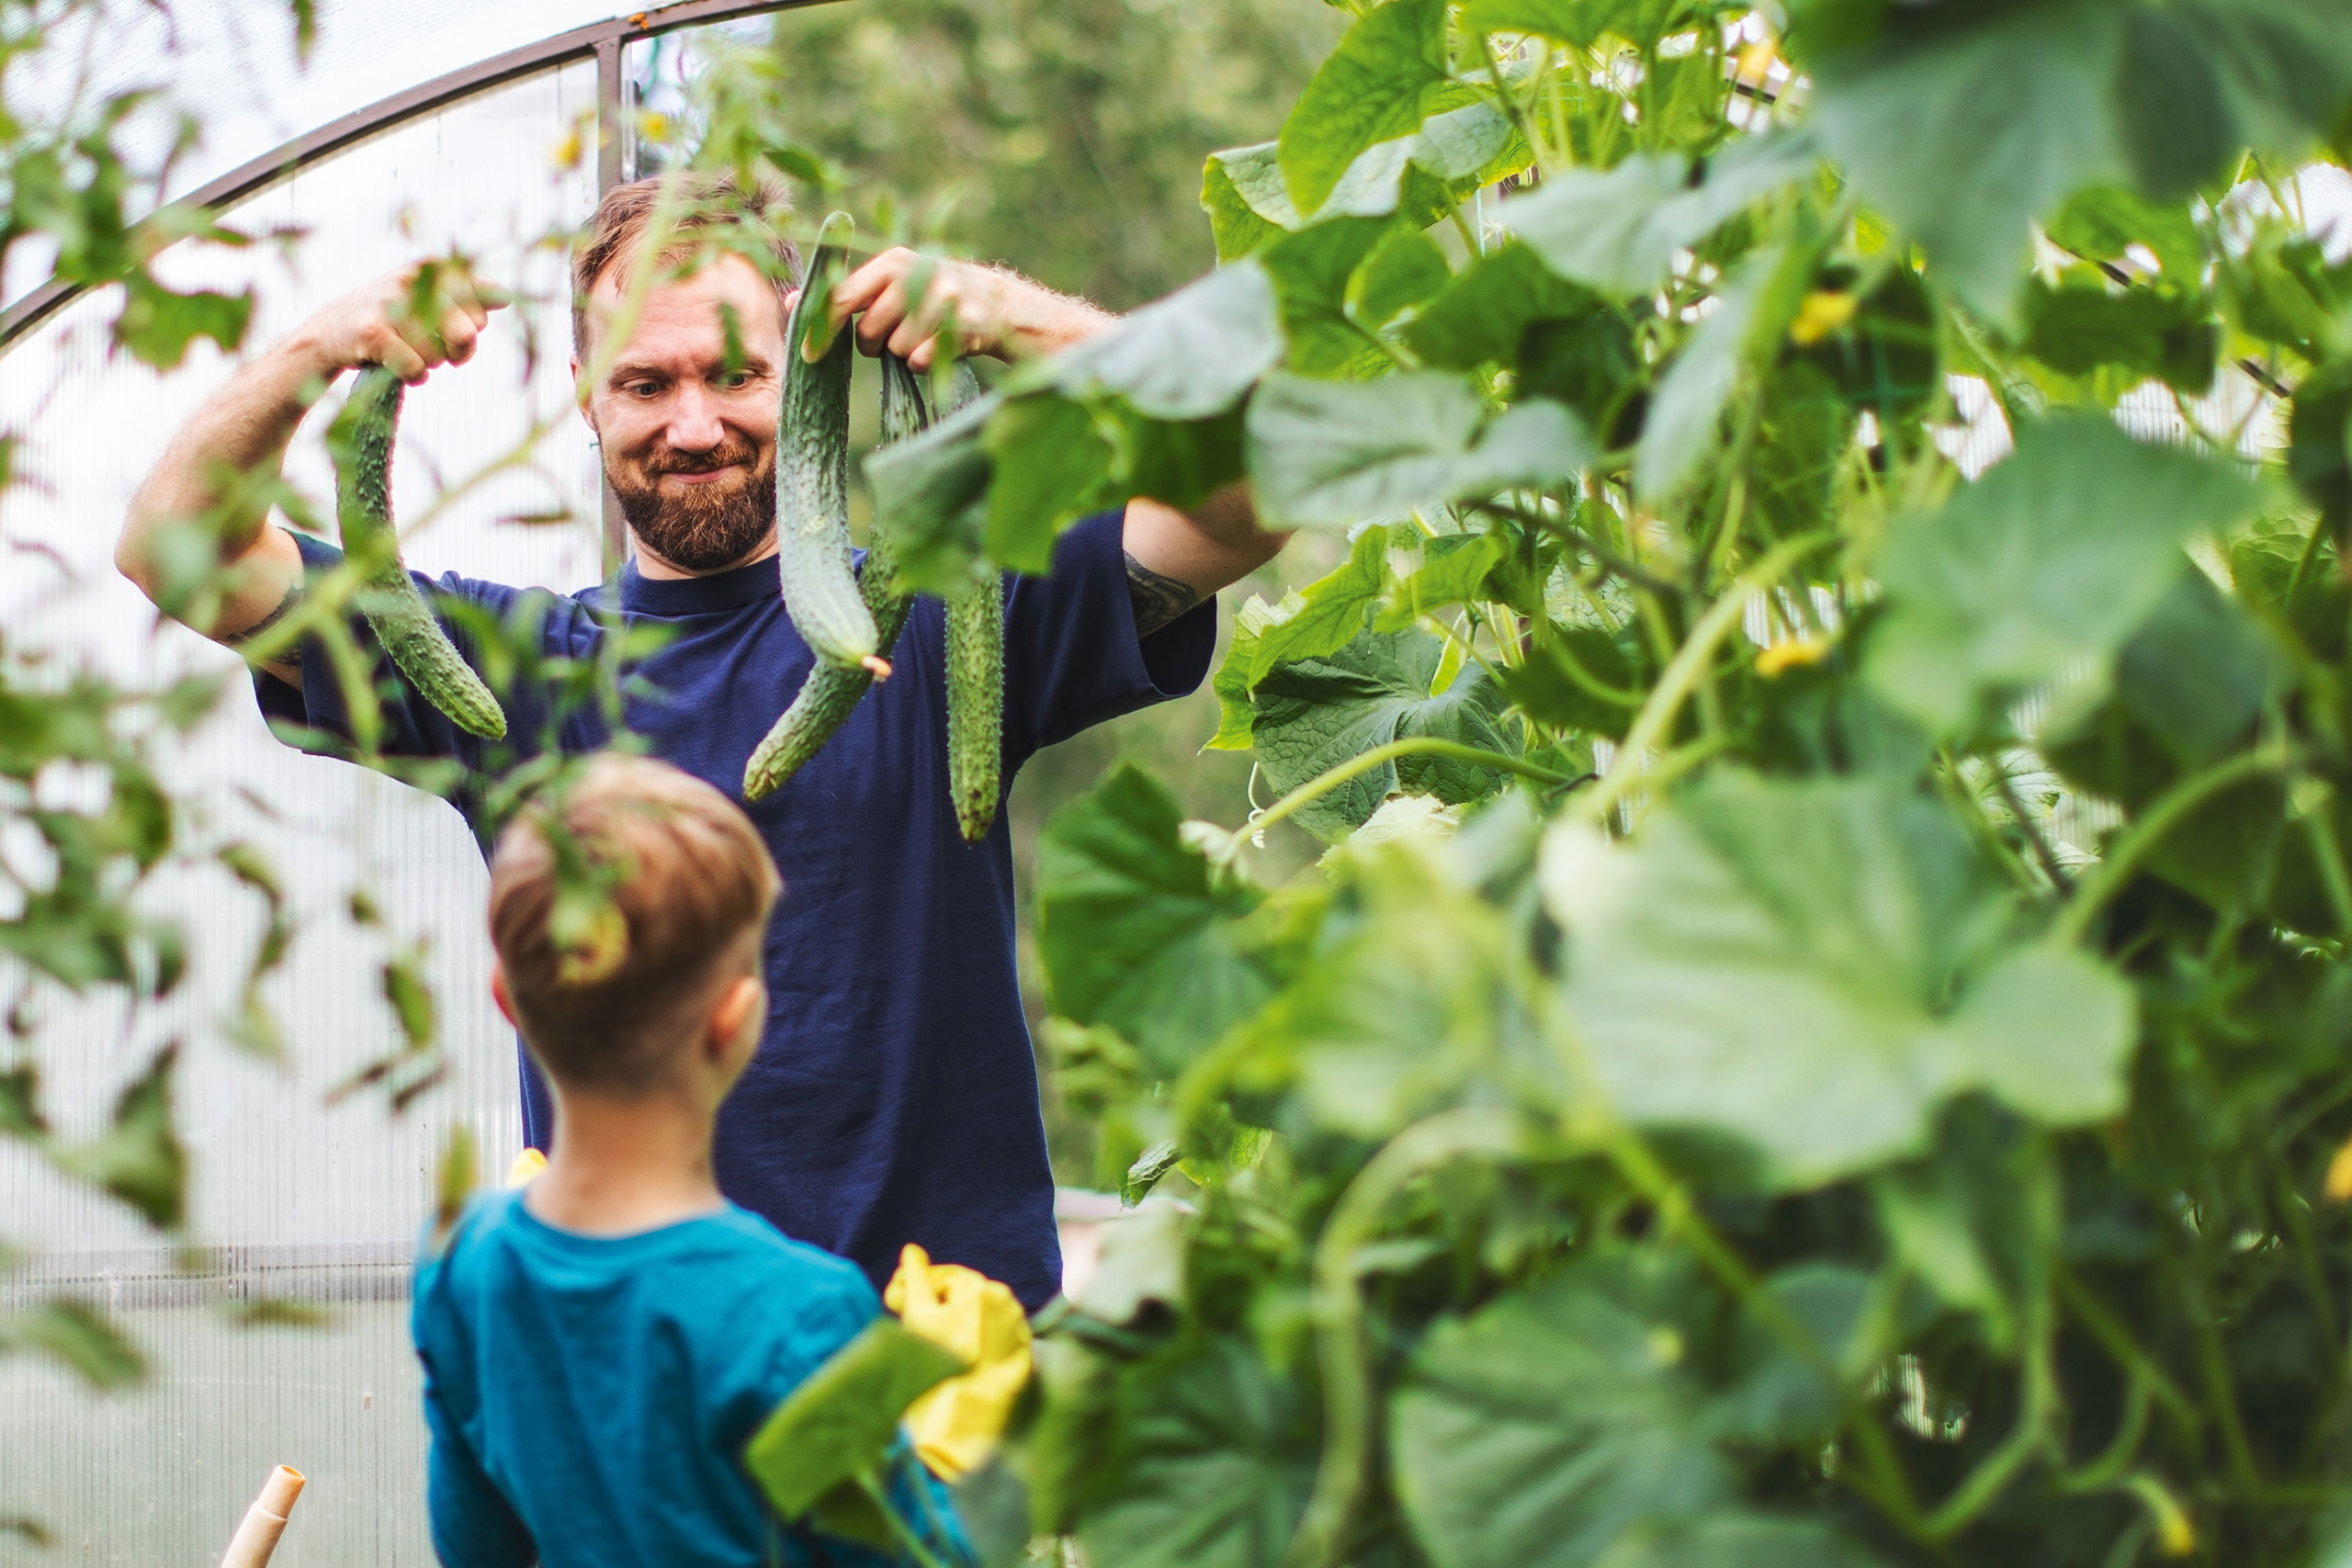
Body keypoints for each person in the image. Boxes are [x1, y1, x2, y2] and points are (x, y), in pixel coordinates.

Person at [116, 173, 1283, 1310]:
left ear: (800, 375)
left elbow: (1254, 493)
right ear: (586, 394)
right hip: (641, 1377)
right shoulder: (505, 672)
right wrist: (318, 351)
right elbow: (175, 543)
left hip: (935, 1365)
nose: (693, 423)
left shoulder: (950, 617)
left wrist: (1014, 317)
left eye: (735, 374)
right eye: (646, 380)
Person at [414, 751, 964, 1568]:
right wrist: (946, 1433)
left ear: (507, 998)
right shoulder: (805, 1319)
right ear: (737, 1019)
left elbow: (477, 1552)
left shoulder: (463, 1264)